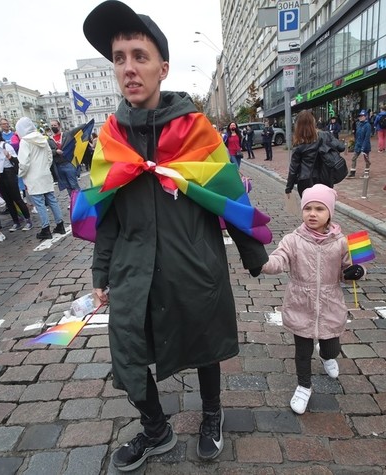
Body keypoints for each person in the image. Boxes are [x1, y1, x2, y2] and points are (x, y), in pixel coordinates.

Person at [82, 1, 269, 470]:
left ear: (162, 68)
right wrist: (101, 272)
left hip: (192, 261)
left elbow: (226, 192)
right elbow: (106, 214)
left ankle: (212, 415)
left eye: (139, 56)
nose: (128, 67)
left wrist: (255, 253)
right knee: (127, 350)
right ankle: (155, 429)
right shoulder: (110, 139)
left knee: (205, 343)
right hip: (133, 269)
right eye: (119, 58)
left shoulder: (195, 130)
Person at [261, 184, 365, 414]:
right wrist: (260, 261)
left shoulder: (341, 242)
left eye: (319, 209)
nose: (312, 214)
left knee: (331, 347)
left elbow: (350, 268)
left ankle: (327, 356)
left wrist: (357, 271)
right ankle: (303, 386)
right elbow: (277, 261)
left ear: (330, 213)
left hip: (330, 305)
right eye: (307, 208)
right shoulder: (292, 240)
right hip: (301, 304)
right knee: (302, 351)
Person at [15, 117, 65, 240]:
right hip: (45, 173)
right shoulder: (42, 138)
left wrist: (21, 173)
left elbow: (24, 162)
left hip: (33, 176)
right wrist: (45, 167)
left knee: (39, 203)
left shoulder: (25, 141)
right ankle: (60, 225)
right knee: (52, 200)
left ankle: (45, 229)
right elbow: (49, 156)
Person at [0, 124, 32, 231]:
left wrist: (9, 156)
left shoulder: (5, 145)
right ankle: (16, 221)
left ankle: (28, 220)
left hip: (8, 173)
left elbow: (17, 161)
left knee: (16, 198)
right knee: (8, 201)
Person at [286, 110, 345, 196]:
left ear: (298, 126)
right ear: (313, 122)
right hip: (325, 179)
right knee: (324, 203)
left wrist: (288, 188)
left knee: (309, 204)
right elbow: (341, 147)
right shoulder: (325, 135)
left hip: (306, 182)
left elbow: (293, 169)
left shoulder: (299, 144)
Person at [49, 119, 81, 198]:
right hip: (58, 166)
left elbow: (75, 138)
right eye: (52, 126)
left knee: (74, 184)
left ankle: (80, 200)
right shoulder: (49, 140)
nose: (53, 127)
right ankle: (73, 201)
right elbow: (48, 151)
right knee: (67, 186)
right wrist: (55, 151)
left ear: (59, 126)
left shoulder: (67, 135)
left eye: (55, 125)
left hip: (68, 163)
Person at [348, 110, 371, 178]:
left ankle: (366, 173)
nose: (360, 117)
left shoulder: (367, 125)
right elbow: (357, 135)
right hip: (358, 144)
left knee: (366, 160)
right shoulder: (358, 124)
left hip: (365, 145)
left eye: (362, 116)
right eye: (360, 116)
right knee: (354, 158)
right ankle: (352, 172)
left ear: (365, 117)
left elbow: (367, 137)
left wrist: (364, 147)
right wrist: (355, 143)